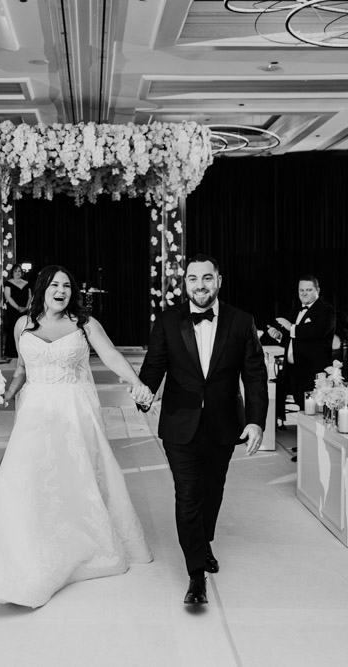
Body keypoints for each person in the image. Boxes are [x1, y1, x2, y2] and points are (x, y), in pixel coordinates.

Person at [0, 265, 152, 608]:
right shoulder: (23, 325)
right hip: (34, 412)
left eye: (66, 285)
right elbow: (22, 369)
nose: (61, 290)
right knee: (22, 477)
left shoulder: (85, 324)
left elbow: (110, 355)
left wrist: (135, 382)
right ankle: (24, 541)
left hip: (73, 411)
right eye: (54, 284)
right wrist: (2, 398)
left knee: (73, 479)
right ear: (42, 289)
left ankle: (71, 541)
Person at [138, 254, 267, 605]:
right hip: (180, 423)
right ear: (185, 283)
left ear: (218, 281)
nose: (200, 285)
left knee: (212, 490)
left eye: (207, 278)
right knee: (188, 494)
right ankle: (196, 575)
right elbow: (155, 364)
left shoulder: (241, 321)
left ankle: (202, 540)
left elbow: (254, 375)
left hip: (224, 424)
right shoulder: (168, 320)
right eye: (193, 279)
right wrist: (145, 391)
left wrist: (255, 420)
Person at [266, 275, 335, 429]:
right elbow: (294, 341)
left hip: (311, 369)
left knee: (310, 410)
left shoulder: (326, 310)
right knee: (292, 399)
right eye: (301, 290)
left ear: (317, 290)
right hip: (293, 368)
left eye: (308, 290)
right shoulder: (296, 309)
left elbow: (318, 332)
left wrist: (291, 327)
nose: (304, 293)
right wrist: (280, 336)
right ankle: (280, 423)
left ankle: (310, 445)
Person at [2, 265, 31, 359]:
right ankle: (11, 352)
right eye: (15, 271)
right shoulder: (8, 283)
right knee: (12, 330)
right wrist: (18, 307)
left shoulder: (26, 283)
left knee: (24, 331)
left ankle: (23, 352)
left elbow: (30, 297)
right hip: (13, 311)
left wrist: (26, 307)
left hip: (24, 311)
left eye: (19, 271)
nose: (17, 273)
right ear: (12, 273)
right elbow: (8, 297)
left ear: (22, 273)